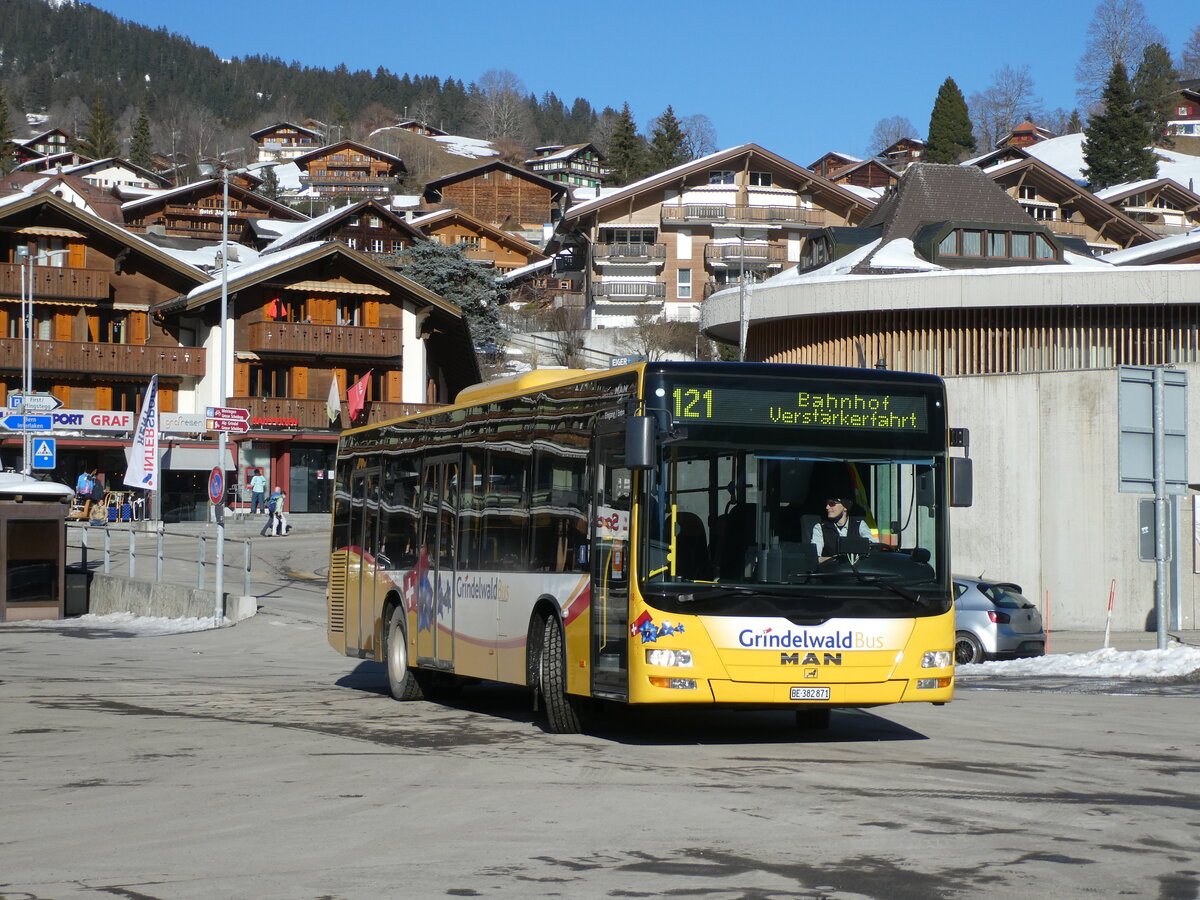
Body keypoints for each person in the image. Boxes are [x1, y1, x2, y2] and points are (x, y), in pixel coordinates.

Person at [811, 496, 873, 562]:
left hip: (857, 571)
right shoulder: (820, 527)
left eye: (832, 504)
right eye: (827, 504)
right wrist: (835, 559)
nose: (827, 507)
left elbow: (873, 547)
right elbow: (815, 558)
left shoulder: (859, 525)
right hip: (832, 571)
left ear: (845, 507)